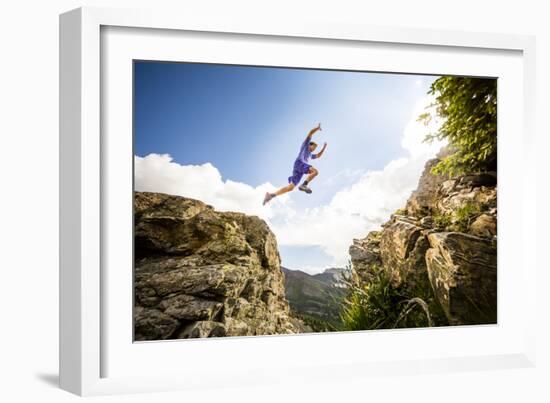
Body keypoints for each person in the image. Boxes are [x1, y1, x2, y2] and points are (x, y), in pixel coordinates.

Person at [263, 123, 327, 205]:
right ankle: (304, 185)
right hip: (300, 163)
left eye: (315, 148)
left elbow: (318, 156)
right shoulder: (305, 146)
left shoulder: (310, 155)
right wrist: (317, 128)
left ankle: (271, 195)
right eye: (313, 147)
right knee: (315, 172)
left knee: (291, 187)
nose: (314, 149)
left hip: (298, 169)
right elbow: (310, 132)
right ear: (309, 145)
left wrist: (324, 148)